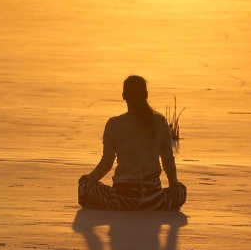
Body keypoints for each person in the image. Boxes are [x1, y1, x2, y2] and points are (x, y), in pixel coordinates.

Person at [78, 75, 187, 211]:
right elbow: (167, 158)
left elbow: (107, 162)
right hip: (153, 199)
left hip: (121, 199)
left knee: (83, 185)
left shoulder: (114, 124)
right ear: (146, 94)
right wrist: (174, 183)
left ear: (124, 95)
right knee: (181, 191)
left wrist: (89, 178)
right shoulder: (159, 122)